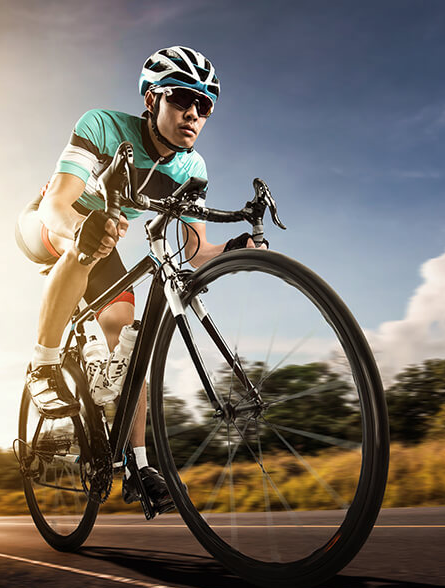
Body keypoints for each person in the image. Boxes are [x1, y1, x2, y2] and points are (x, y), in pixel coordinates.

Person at [15, 45, 264, 512]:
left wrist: (234, 250)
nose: (192, 113)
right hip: (50, 226)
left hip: (103, 241)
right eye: (181, 100)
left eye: (204, 106)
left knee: (128, 332)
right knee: (87, 244)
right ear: (152, 100)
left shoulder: (192, 167)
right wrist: (79, 230)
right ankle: (44, 366)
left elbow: (194, 249)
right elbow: (56, 205)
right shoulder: (103, 127)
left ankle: (137, 464)